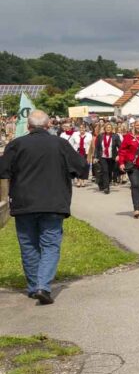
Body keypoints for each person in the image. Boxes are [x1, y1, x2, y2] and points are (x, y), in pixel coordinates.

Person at [0, 109, 89, 304]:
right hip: (53, 202)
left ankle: (34, 287)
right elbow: (82, 167)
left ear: (29, 126)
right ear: (48, 125)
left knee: (28, 245)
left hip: (24, 203)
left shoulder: (16, 145)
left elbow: (3, 171)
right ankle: (42, 286)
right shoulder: (61, 144)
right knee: (50, 245)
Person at [94, 122, 120, 194]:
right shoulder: (100, 136)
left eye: (109, 128)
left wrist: (119, 155)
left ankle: (104, 183)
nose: (108, 129)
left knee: (109, 172)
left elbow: (120, 147)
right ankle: (106, 188)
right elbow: (97, 147)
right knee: (105, 171)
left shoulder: (115, 136)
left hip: (112, 157)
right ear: (104, 128)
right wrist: (95, 157)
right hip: (103, 157)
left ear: (112, 129)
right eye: (107, 127)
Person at [67, 124, 92, 189]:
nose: (82, 129)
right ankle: (78, 180)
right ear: (78, 128)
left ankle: (83, 180)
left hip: (85, 152)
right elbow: (70, 143)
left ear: (85, 128)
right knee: (77, 167)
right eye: (80, 127)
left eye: (83, 127)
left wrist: (90, 154)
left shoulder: (89, 135)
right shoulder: (75, 134)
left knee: (84, 167)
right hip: (77, 153)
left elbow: (91, 145)